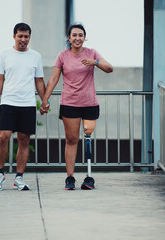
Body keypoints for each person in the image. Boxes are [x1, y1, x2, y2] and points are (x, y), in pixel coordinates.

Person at [40, 24, 113, 190]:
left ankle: (88, 177)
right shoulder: (62, 55)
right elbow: (53, 79)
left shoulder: (92, 53)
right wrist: (45, 99)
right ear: (69, 38)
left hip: (89, 103)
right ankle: (70, 177)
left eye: (81, 35)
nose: (77, 38)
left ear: (85, 37)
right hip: (70, 103)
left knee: (87, 136)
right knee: (71, 140)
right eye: (74, 35)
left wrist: (95, 63)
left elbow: (109, 68)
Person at [0, 23, 46, 191]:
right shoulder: (4, 54)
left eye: (26, 36)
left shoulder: (35, 56)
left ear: (30, 37)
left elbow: (39, 81)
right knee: (3, 137)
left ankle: (19, 178)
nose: (23, 39)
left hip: (28, 103)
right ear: (14, 36)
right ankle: (0, 174)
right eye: (20, 36)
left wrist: (44, 101)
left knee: (24, 140)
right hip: (8, 102)